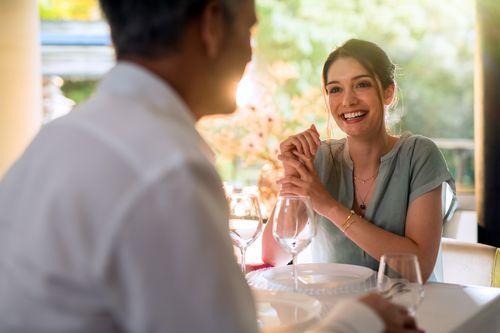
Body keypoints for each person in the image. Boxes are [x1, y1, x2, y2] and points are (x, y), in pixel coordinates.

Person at [0, 2, 418, 332]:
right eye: (250, 30)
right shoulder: (167, 169)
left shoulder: (55, 140)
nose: (250, 53)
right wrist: (360, 322)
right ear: (212, 24)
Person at [262, 39, 456, 282]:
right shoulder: (318, 159)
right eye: (335, 89)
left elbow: (419, 268)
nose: (348, 101)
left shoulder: (419, 154)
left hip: (407, 310)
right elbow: (273, 256)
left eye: (361, 84)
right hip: (335, 313)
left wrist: (328, 206)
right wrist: (292, 174)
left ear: (388, 92)